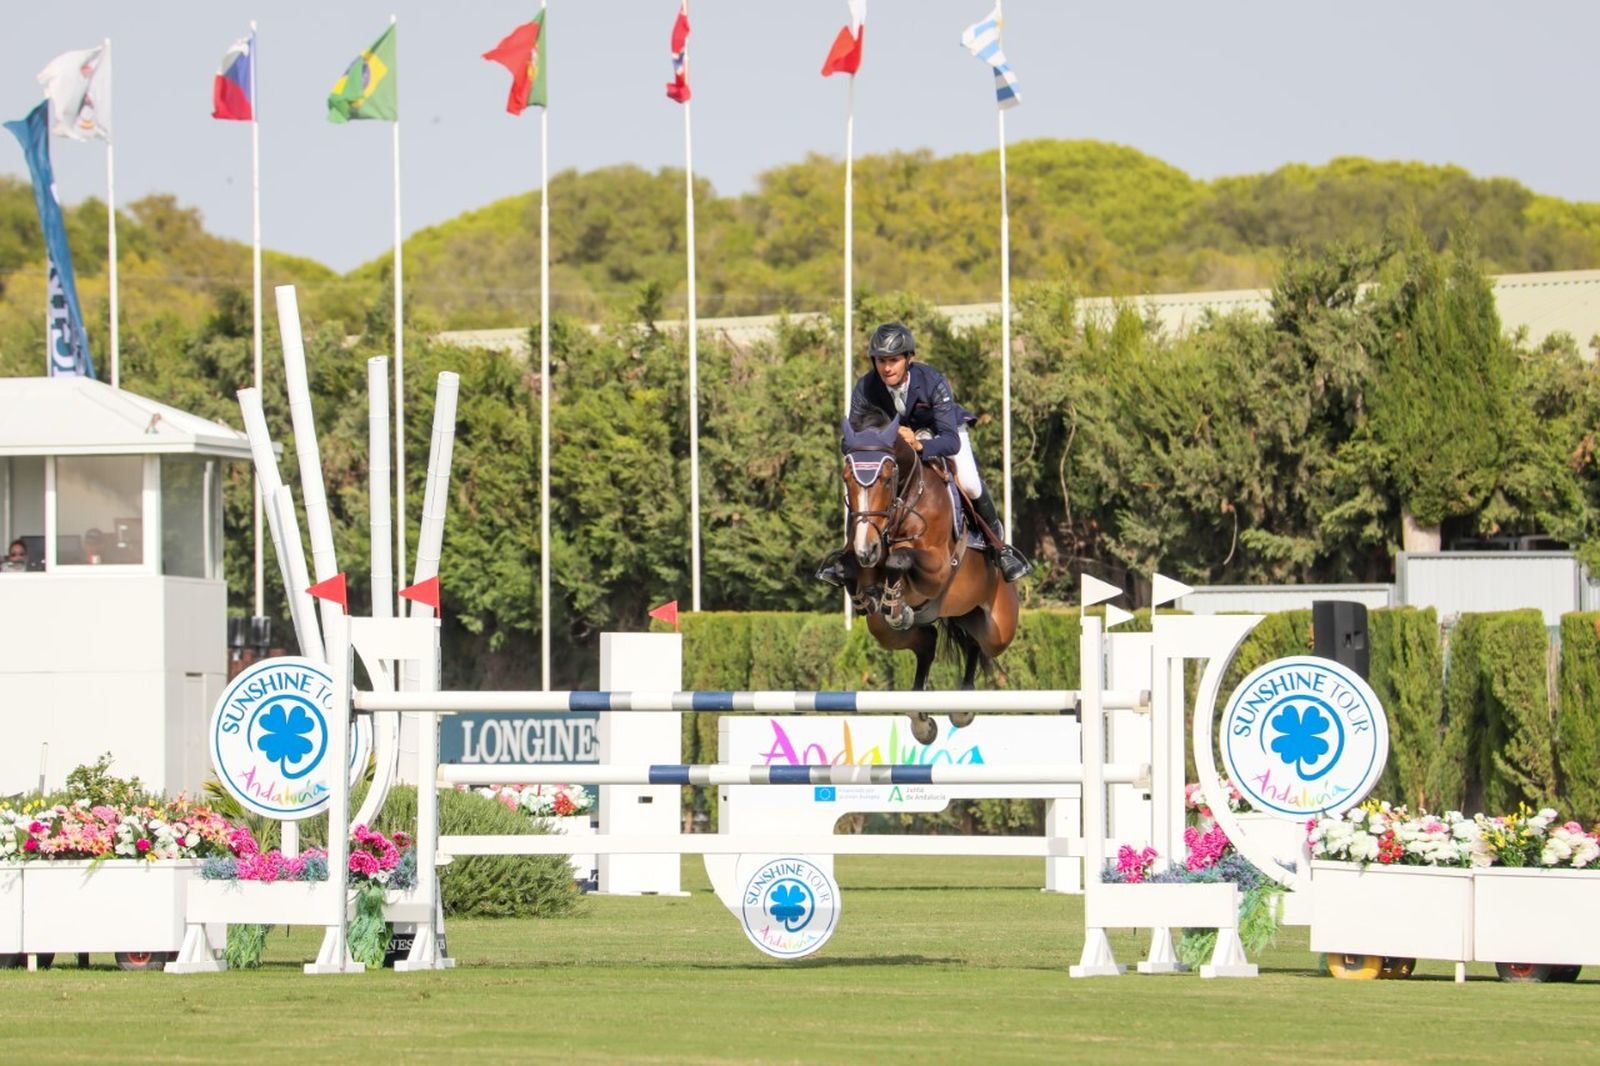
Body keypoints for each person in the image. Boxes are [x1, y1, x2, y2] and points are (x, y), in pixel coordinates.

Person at [816, 322, 1032, 586]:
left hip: (940, 433)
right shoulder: (865, 388)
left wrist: (919, 446)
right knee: (864, 484)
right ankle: (848, 553)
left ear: (909, 359)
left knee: (970, 483)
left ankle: (999, 548)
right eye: (881, 360)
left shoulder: (932, 381)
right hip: (893, 443)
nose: (887, 368)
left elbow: (950, 441)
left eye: (894, 360)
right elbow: (850, 442)